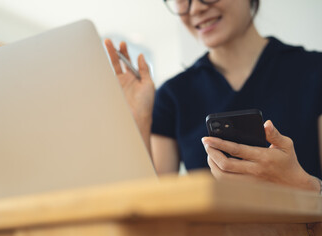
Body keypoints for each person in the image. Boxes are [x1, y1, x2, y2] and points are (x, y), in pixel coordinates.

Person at [104, 0, 322, 193]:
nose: (196, 8)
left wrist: (305, 186)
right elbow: (154, 207)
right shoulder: (173, 95)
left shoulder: (314, 70)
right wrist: (140, 119)